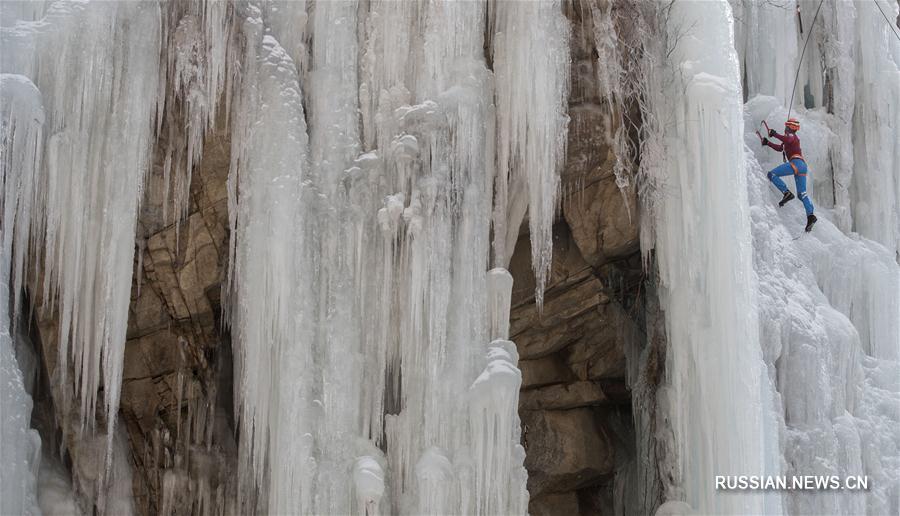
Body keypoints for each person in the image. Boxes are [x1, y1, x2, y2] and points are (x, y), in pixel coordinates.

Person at [761, 118, 817, 232]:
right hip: (802, 166)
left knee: (772, 174)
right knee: (802, 194)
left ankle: (786, 192)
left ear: (790, 127)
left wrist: (775, 134)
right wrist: (768, 143)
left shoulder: (791, 136)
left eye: (786, 126)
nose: (785, 128)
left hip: (795, 163)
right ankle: (811, 216)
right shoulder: (789, 139)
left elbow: (788, 139)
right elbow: (779, 148)